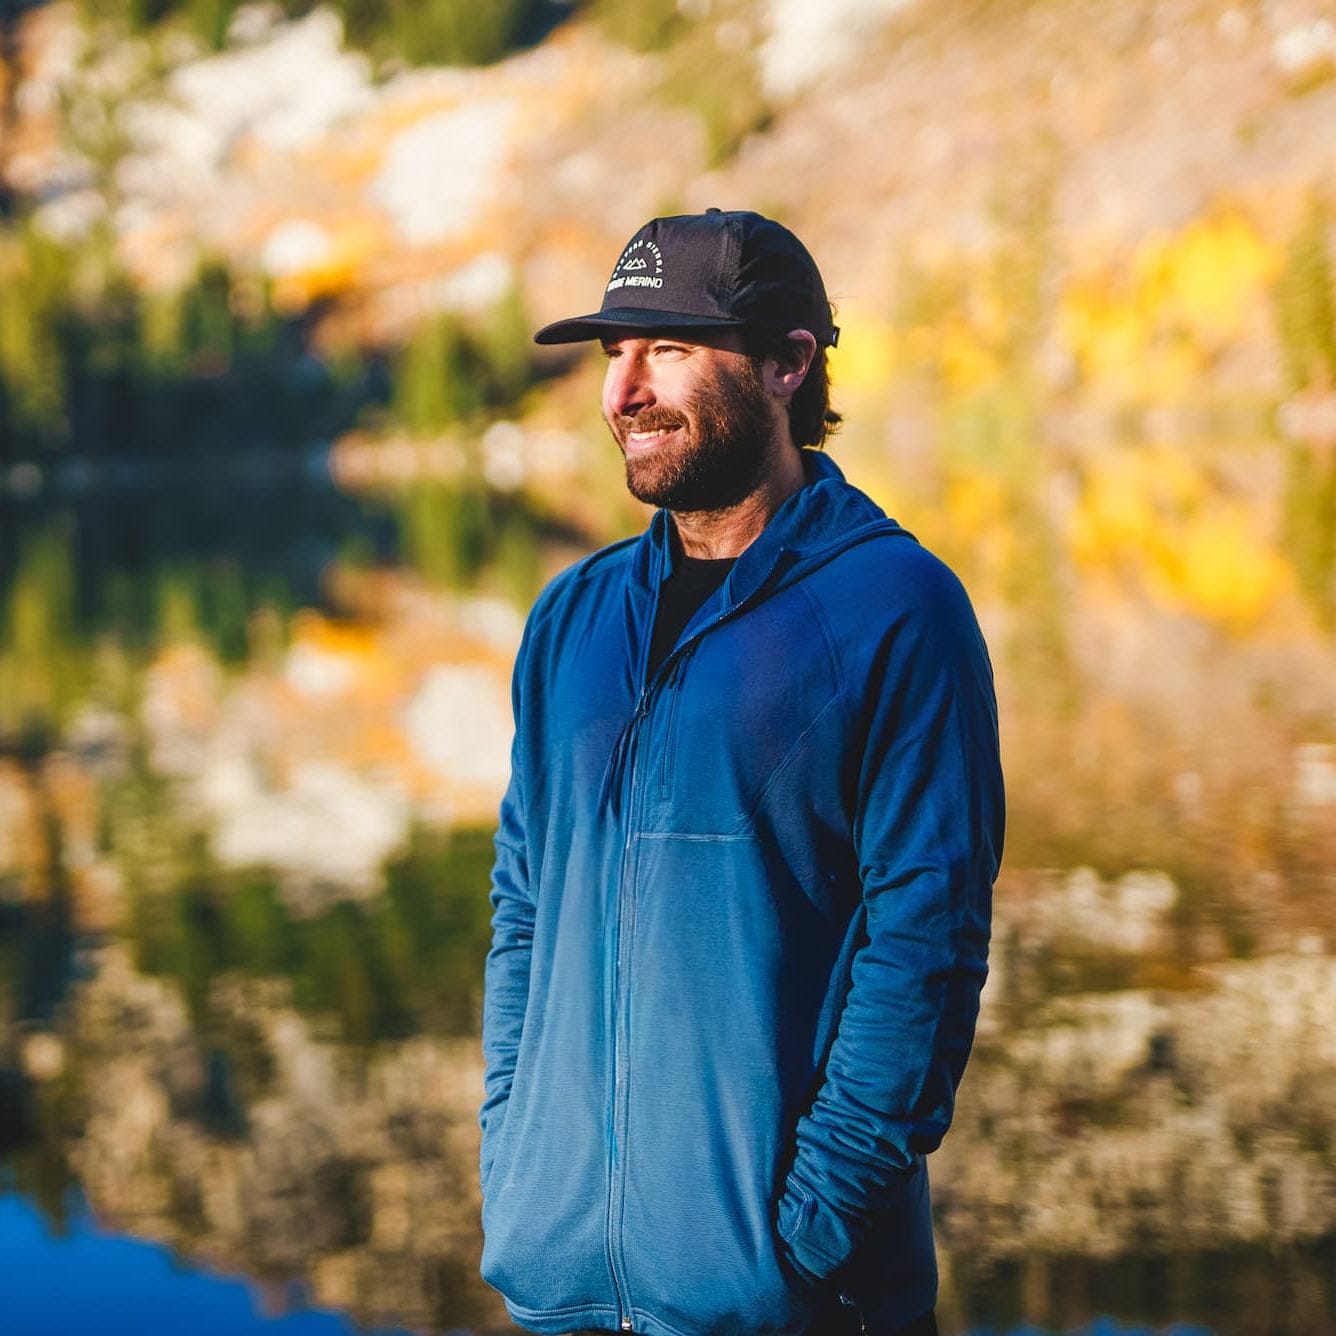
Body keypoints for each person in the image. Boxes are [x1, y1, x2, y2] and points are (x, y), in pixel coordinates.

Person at [479, 209, 1004, 1336]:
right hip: (562, 1287)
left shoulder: (896, 611)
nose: (623, 390)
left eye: (666, 347)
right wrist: (517, 1159)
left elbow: (926, 944)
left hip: (786, 1300)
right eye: (613, 353)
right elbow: (524, 909)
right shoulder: (568, 620)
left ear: (786, 363)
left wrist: (805, 1236)